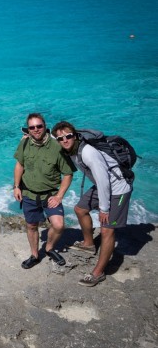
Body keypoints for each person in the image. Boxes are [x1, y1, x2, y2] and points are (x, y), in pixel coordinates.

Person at [52, 121, 133, 287]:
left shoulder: (88, 153)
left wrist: (104, 209)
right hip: (103, 185)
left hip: (118, 188)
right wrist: (28, 138)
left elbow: (103, 181)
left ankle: (98, 273)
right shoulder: (69, 148)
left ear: (75, 135)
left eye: (68, 136)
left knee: (107, 230)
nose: (65, 140)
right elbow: (48, 138)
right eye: (61, 138)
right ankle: (89, 244)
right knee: (80, 209)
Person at [13, 113, 75, 270]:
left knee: (59, 225)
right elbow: (20, 165)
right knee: (31, 226)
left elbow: (68, 174)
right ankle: (34, 255)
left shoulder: (57, 147)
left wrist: (60, 196)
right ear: (28, 129)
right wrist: (16, 186)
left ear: (45, 126)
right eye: (32, 127)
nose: (36, 130)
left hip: (50, 195)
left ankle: (49, 248)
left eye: (39, 126)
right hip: (29, 193)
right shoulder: (25, 143)